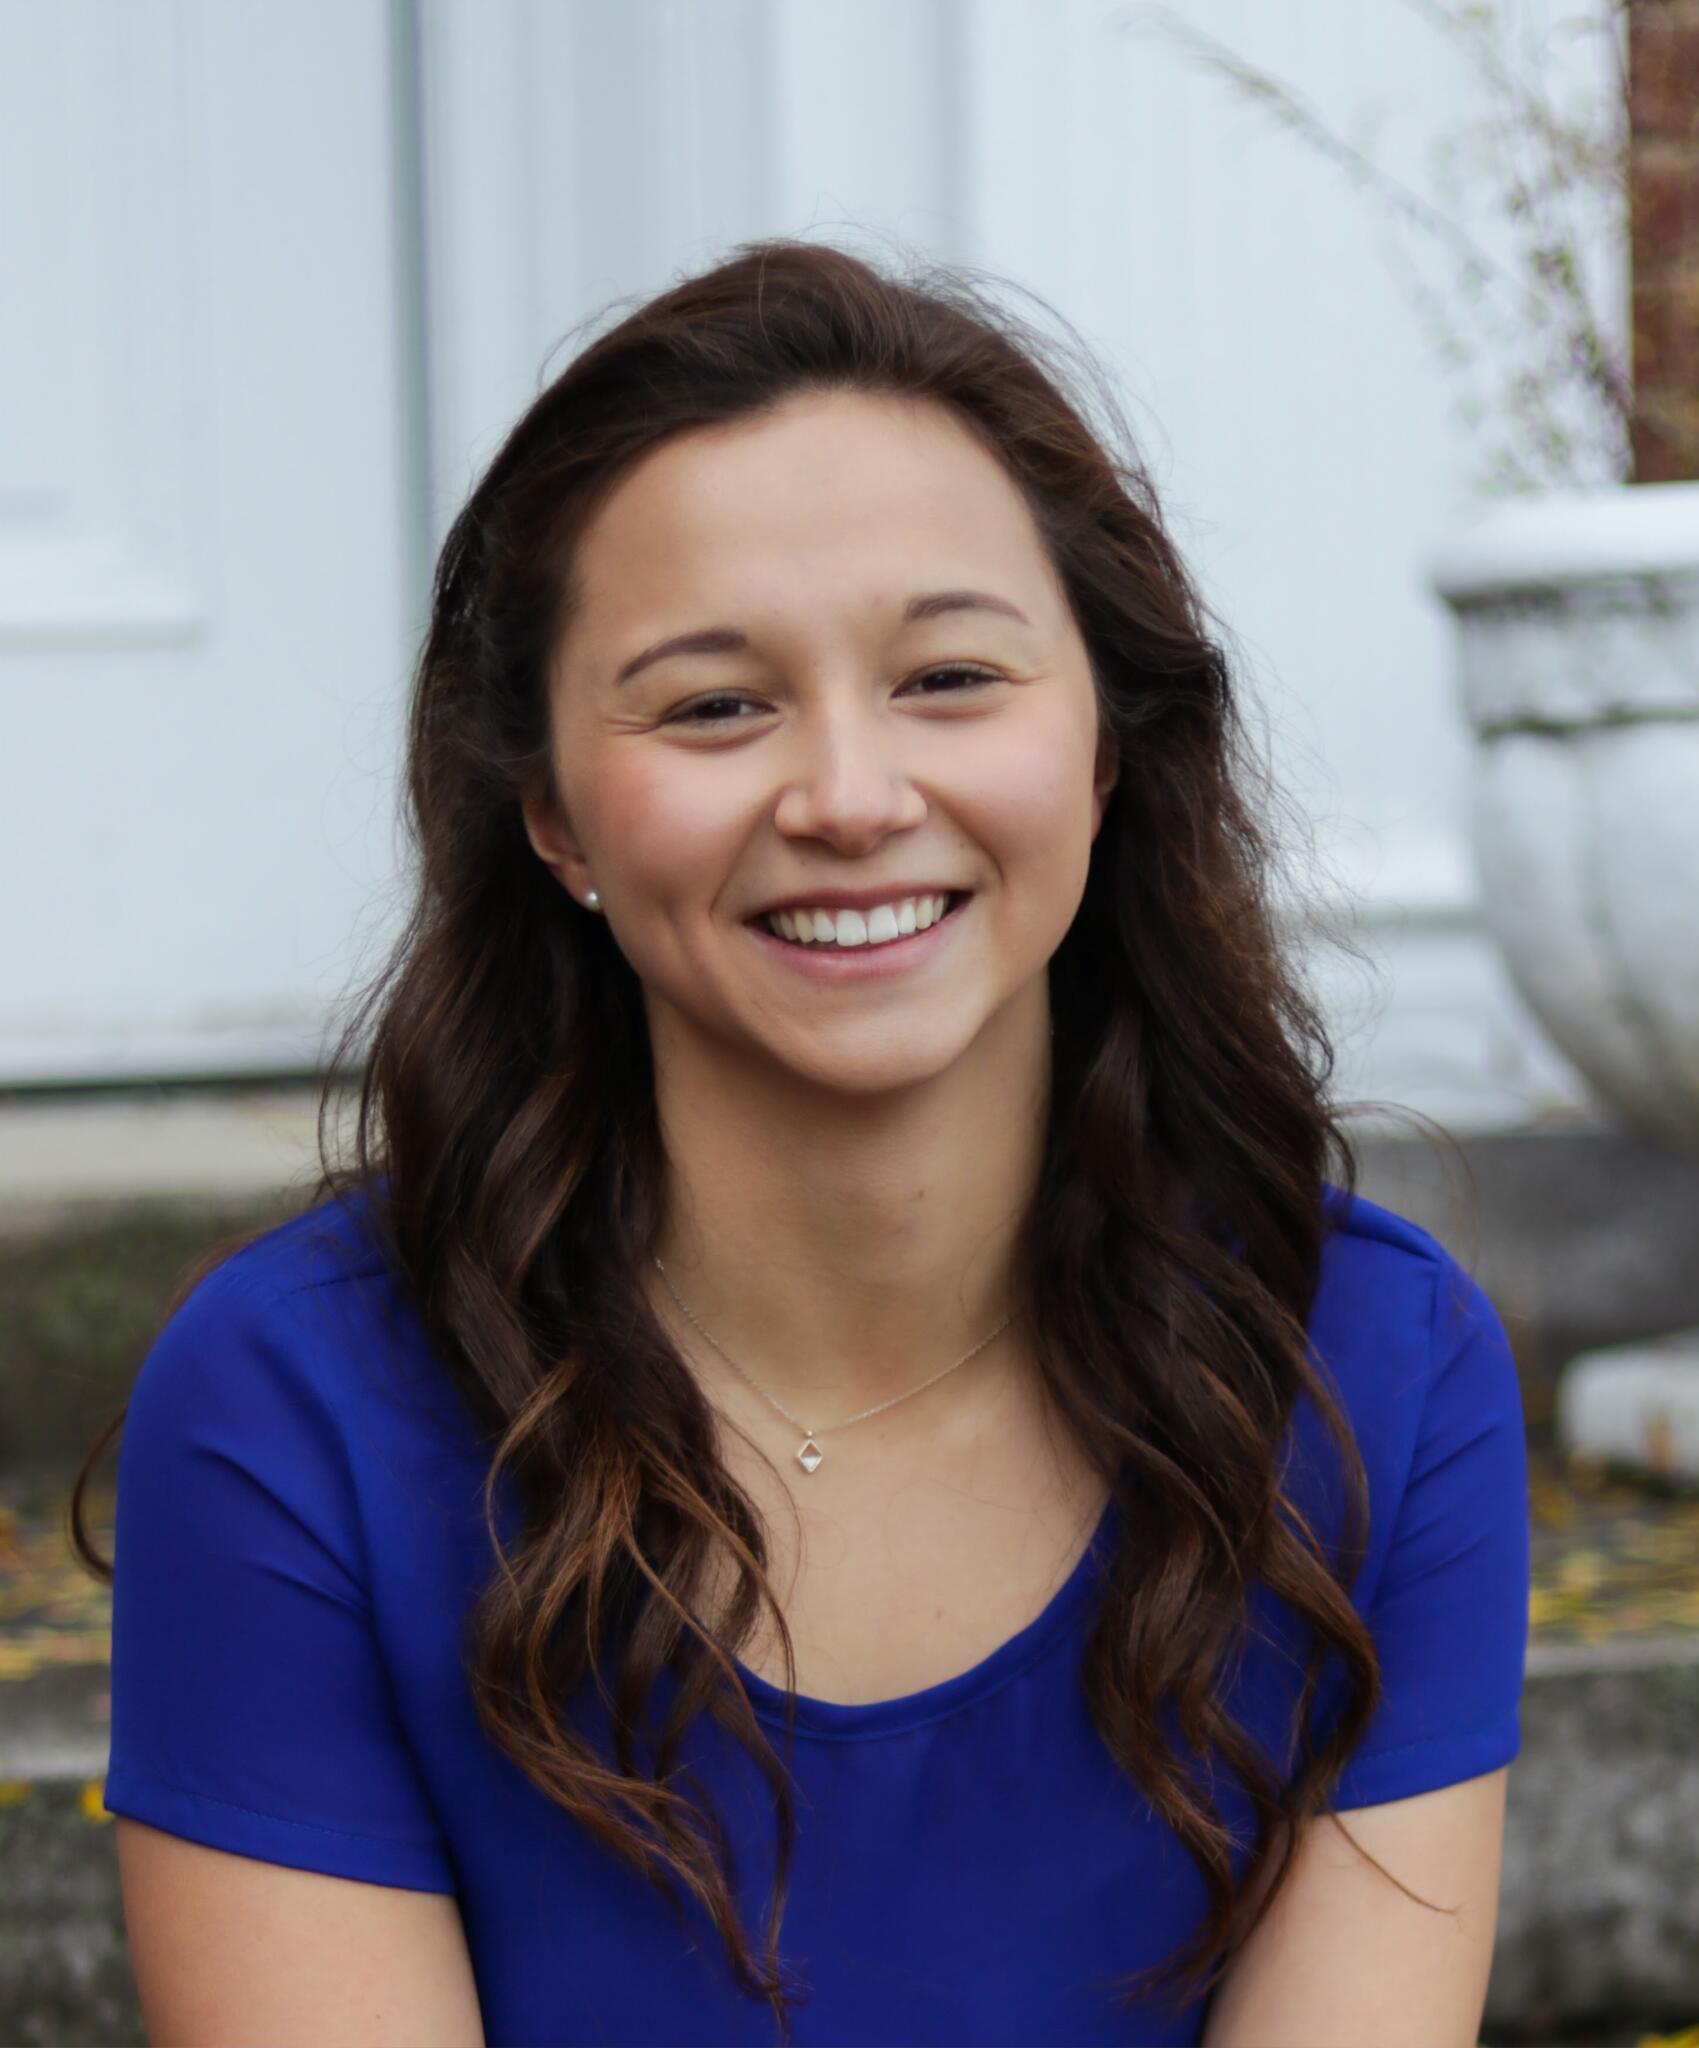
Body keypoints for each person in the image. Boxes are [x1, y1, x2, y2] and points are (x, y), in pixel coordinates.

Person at [72, 239, 1529, 2047]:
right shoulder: (298, 1414)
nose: (848, 797)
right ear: (553, 815)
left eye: (950, 676)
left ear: (1104, 746)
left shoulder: (1372, 1377)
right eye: (713, 704)